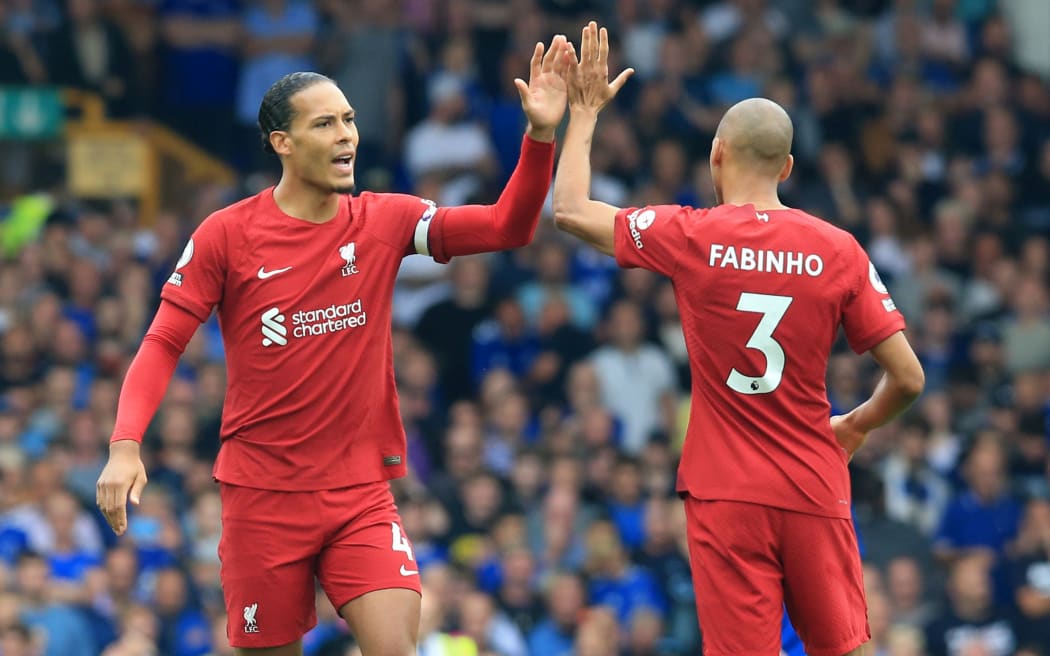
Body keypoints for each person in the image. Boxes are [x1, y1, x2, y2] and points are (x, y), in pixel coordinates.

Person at [96, 35, 570, 656]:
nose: (347, 134)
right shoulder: (227, 235)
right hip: (262, 498)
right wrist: (125, 444)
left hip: (359, 495)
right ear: (282, 144)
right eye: (325, 123)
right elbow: (162, 342)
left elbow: (508, 226)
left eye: (348, 119)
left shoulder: (384, 219)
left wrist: (539, 137)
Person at [552, 22, 926, 656]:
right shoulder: (839, 249)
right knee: (847, 647)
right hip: (813, 479)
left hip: (726, 491)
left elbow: (569, 210)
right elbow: (910, 379)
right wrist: (856, 426)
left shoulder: (692, 235)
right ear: (786, 165)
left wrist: (584, 113)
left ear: (716, 154)